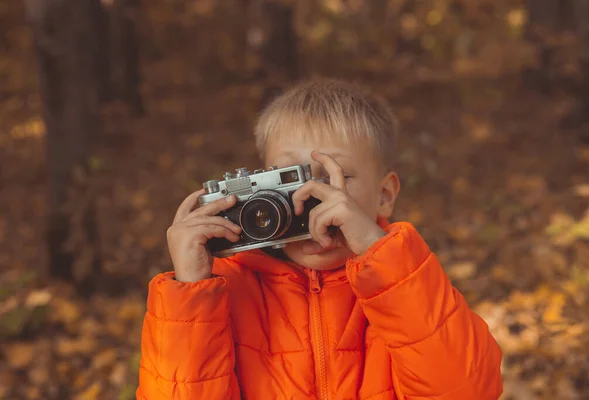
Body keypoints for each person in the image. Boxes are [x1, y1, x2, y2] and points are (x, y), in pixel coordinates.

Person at [136, 79, 503, 399]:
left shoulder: (405, 283)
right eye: (289, 179)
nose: (309, 198)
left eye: (334, 177)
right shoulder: (223, 290)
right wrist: (190, 293)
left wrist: (384, 260)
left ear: (385, 194)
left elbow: (467, 390)